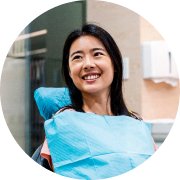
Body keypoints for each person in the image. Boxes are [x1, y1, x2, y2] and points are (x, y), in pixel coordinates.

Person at [32, 24, 155, 179]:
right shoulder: (62, 125)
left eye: (97, 54)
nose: (88, 64)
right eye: (77, 57)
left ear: (114, 64)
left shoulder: (137, 125)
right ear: (69, 72)